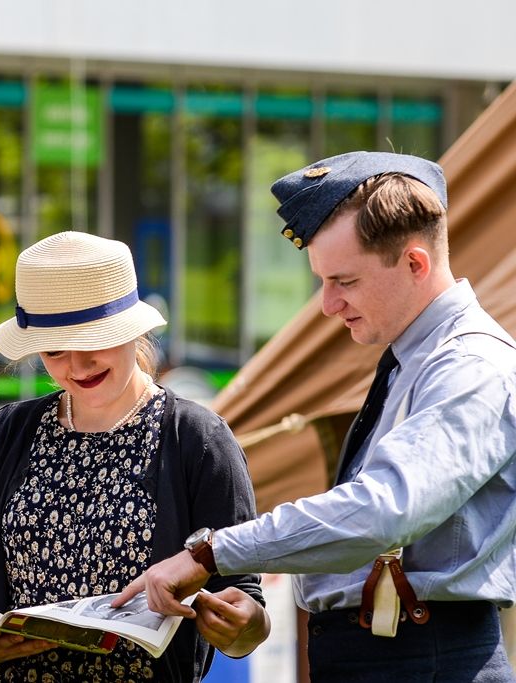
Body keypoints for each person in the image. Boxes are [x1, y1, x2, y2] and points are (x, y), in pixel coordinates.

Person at [114, 151, 516, 681]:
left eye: (344, 281)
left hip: (425, 660)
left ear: (415, 264)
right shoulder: (419, 357)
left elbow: (384, 511)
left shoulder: (469, 364)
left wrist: (210, 553)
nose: (328, 305)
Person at [0, 231, 270, 682]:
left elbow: (246, 609)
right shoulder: (5, 434)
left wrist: (240, 625)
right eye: (55, 350)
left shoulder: (197, 439)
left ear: (133, 330)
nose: (77, 366)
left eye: (93, 341)